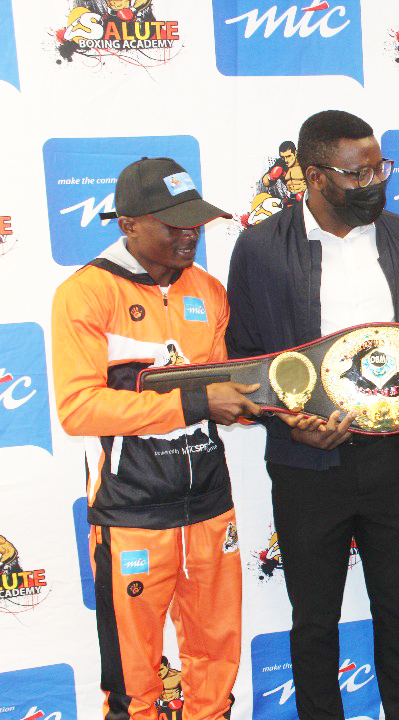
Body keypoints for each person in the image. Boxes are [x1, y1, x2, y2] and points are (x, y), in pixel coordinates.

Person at [225, 110, 399, 720]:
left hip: (397, 460)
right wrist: (285, 420)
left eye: (379, 169)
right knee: (314, 619)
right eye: (357, 175)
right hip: (308, 467)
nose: (373, 183)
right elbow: (245, 360)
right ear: (314, 176)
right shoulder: (260, 248)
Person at [52, 157, 258, 720]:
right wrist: (196, 402)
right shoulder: (86, 293)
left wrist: (272, 410)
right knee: (133, 686)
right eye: (174, 224)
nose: (190, 233)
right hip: (132, 513)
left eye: (195, 222)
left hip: (210, 507)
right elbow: (79, 408)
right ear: (128, 224)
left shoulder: (208, 291)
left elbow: (225, 392)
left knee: (215, 671)